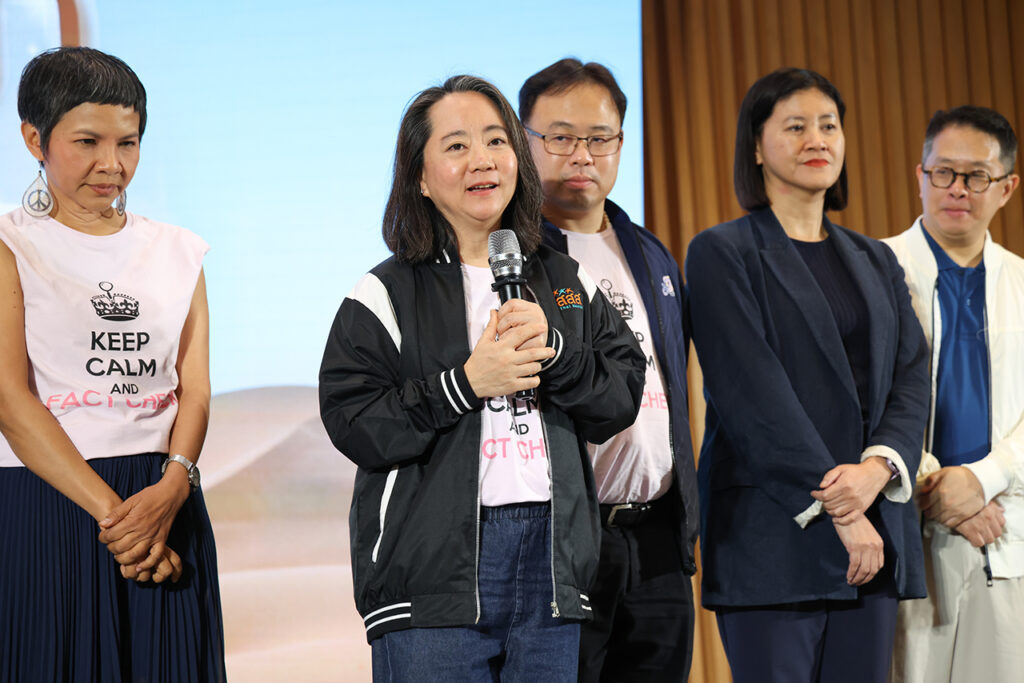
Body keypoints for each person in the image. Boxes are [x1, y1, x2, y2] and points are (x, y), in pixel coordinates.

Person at [318, 74, 645, 681]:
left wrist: (556, 353)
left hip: (551, 569)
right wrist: (465, 384)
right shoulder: (384, 291)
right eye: (456, 145)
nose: (483, 160)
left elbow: (621, 394)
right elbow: (354, 421)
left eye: (496, 141)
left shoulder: (566, 281)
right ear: (419, 176)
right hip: (432, 580)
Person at [684, 67, 930, 683]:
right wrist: (843, 511)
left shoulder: (875, 258)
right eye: (795, 127)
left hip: (876, 533)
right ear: (756, 146)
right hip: (775, 538)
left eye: (828, 126)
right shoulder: (721, 252)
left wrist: (878, 470)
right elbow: (752, 397)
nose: (816, 139)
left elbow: (911, 376)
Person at [0, 47, 225, 681]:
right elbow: (9, 401)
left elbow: (195, 390)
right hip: (50, 500)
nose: (112, 164)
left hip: (165, 497)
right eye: (87, 142)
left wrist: (173, 487)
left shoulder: (178, 250)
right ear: (35, 139)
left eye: (128, 142)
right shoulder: (12, 243)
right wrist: (120, 521)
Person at [518, 58, 698, 682]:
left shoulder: (650, 253)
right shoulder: (514, 257)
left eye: (600, 138)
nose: (582, 155)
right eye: (561, 137)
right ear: (524, 142)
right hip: (562, 540)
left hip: (658, 539)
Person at [884, 106, 1023, 683]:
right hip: (903, 525)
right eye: (943, 172)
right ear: (920, 175)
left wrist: (983, 480)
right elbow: (860, 403)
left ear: (1007, 187)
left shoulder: (1021, 281)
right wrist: (938, 484)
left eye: (977, 176)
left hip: (1004, 530)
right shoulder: (874, 269)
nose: (957, 188)